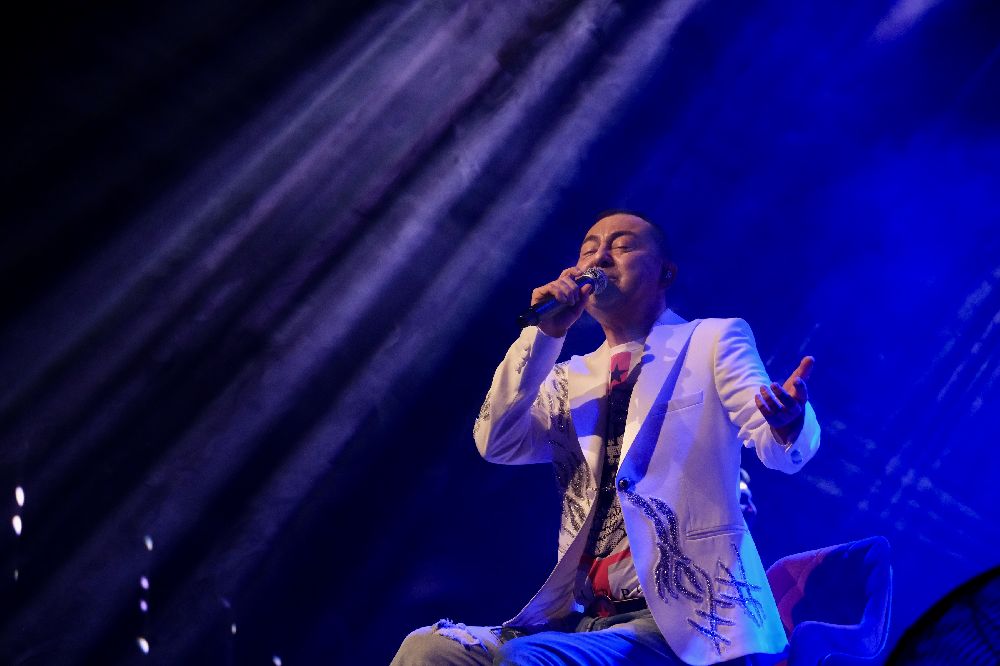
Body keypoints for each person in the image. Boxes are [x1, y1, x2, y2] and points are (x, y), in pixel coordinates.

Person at [392, 212, 820, 665]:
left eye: (622, 245)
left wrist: (787, 422)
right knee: (429, 650)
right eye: (589, 248)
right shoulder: (568, 378)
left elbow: (774, 446)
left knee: (525, 659)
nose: (599, 257)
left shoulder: (711, 340)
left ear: (665, 273)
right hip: (584, 619)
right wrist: (544, 334)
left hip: (689, 621)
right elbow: (497, 441)